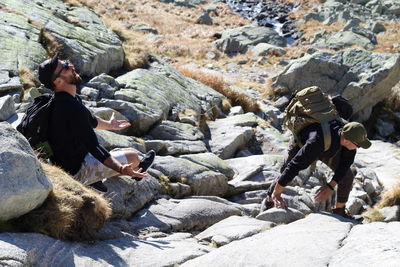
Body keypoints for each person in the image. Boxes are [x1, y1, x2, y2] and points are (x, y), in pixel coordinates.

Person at [38, 54, 155, 191]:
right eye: (65, 67)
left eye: (67, 62)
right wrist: (121, 168)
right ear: (58, 81)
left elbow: (92, 121)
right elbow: (95, 147)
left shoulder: (64, 100)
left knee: (116, 154)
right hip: (75, 173)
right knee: (133, 157)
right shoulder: (70, 108)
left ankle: (97, 178)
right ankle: (129, 173)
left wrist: (110, 125)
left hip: (71, 159)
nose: (71, 66)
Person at [260, 120, 372, 219]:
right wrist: (278, 193)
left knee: (347, 176)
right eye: (358, 145)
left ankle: (339, 211)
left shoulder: (350, 139)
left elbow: (345, 164)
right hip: (302, 144)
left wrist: (330, 186)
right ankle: (270, 200)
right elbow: (294, 166)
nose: (359, 147)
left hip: (330, 148)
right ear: (347, 140)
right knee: (285, 172)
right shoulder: (316, 142)